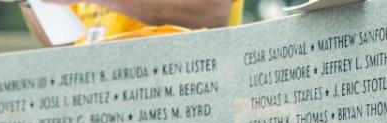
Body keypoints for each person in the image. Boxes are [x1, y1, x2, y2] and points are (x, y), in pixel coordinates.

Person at [19, 0, 243, 46]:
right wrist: (31, 3)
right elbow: (64, 46)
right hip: (100, 105)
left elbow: (211, 11)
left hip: (182, 101)